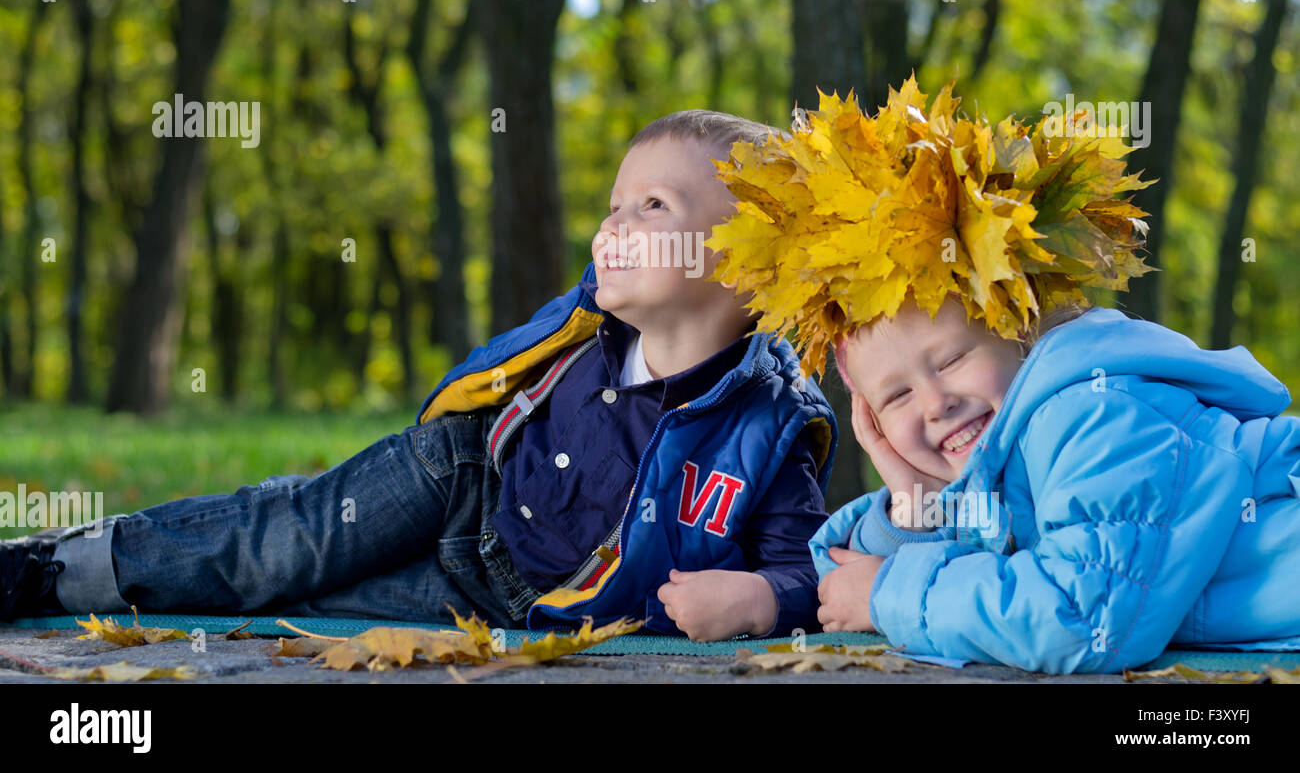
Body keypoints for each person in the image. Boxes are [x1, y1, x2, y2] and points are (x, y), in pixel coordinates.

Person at [0, 110, 837, 642]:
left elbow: (809, 570)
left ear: (744, 263)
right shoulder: (596, 322)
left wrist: (763, 599)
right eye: (615, 203)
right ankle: (52, 569)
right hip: (461, 478)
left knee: (299, 597)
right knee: (286, 540)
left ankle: (120, 580)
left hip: (505, 598)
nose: (614, 224)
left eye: (655, 207)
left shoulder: (769, 429)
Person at [705, 77, 1300, 673]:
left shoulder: (1096, 414)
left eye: (952, 360)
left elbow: (1081, 620)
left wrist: (893, 592)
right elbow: (843, 580)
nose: (935, 403)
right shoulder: (1002, 473)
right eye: (898, 395)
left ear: (1019, 325)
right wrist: (913, 505)